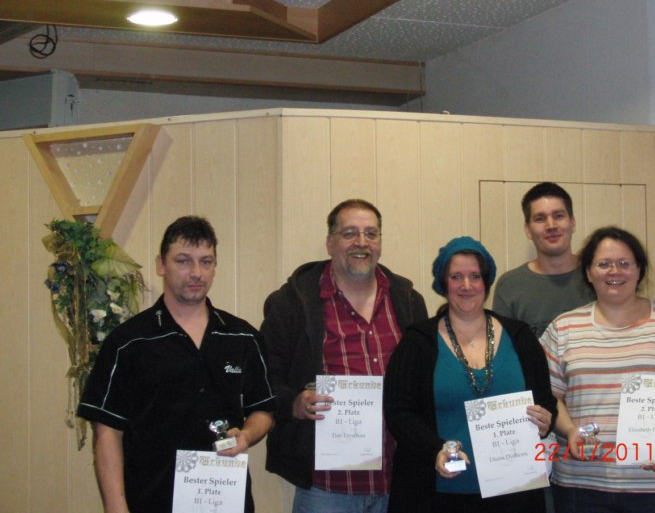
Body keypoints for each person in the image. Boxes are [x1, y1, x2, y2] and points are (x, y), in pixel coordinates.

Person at [78, 216, 276, 513]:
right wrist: (116, 507)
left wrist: (246, 435)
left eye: (206, 262)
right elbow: (107, 432)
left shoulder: (243, 337)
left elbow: (263, 410)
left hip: (224, 500)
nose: (196, 272)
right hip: (150, 500)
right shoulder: (128, 342)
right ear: (161, 264)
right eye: (183, 261)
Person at [260, 198, 428, 513]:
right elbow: (265, 376)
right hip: (326, 488)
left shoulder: (407, 301)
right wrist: (294, 403)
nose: (361, 242)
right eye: (349, 233)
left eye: (371, 234)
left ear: (380, 243)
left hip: (398, 480)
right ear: (330, 242)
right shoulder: (292, 303)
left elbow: (423, 377)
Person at [540, 226, 655, 513]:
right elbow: (550, 397)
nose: (614, 271)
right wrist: (570, 431)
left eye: (625, 263)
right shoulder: (563, 328)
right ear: (588, 272)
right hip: (581, 486)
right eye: (603, 264)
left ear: (639, 270)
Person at [384, 236, 557, 513]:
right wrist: (435, 449)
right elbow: (399, 412)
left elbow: (545, 400)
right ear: (443, 283)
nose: (466, 285)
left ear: (486, 282)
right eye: (456, 277)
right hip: (438, 495)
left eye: (475, 276)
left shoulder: (520, 337)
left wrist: (546, 419)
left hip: (514, 492)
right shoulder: (417, 343)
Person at [492, 182, 594, 338]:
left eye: (558, 216)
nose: (551, 225)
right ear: (528, 230)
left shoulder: (598, 276)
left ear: (572, 223)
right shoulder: (510, 286)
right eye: (540, 219)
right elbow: (503, 348)